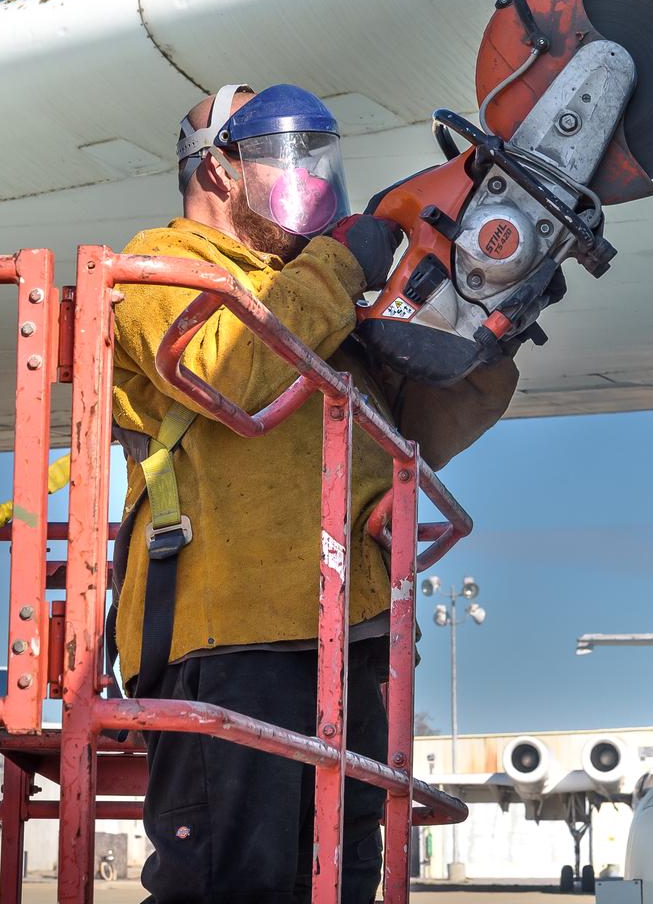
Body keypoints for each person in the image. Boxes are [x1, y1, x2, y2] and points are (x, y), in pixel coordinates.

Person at [111, 83, 534, 904]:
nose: (307, 181)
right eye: (283, 160)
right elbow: (230, 370)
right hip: (227, 636)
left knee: (340, 882)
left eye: (317, 159)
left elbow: (415, 435)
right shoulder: (163, 266)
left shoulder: (310, 297)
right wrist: (339, 263)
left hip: (350, 637)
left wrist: (486, 321)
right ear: (220, 171)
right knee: (236, 882)